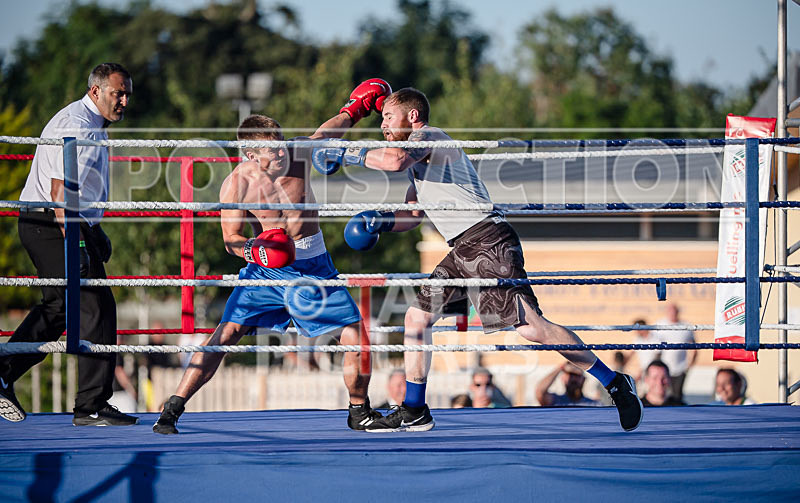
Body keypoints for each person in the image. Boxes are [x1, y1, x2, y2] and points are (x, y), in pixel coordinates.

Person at [312, 87, 643, 432]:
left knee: (532, 328)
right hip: (461, 251)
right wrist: (380, 220)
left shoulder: (429, 136)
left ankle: (614, 381)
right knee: (416, 319)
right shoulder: (418, 160)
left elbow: (393, 160)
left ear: (412, 116)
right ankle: (414, 408)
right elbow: (413, 214)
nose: (383, 126)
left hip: (487, 241)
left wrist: (347, 152)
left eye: (388, 118)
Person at [153, 78, 392, 434]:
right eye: (272, 151)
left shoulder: (298, 153)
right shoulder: (237, 184)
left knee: (355, 336)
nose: (281, 154)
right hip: (265, 272)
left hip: (314, 266)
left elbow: (332, 129)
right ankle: (173, 407)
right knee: (226, 333)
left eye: (281, 146)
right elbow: (229, 239)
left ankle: (359, 412)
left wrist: (355, 108)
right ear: (251, 156)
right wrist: (254, 249)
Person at [0, 63, 137, 426]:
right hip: (52, 223)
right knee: (95, 307)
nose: (123, 101)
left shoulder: (91, 123)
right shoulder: (79, 125)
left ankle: (3, 371)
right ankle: (91, 404)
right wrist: (76, 244)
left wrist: (93, 229)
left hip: (55, 222)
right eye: (117, 93)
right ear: (95, 91)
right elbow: (61, 190)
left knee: (63, 307)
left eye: (127, 95)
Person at [651, 304, 697, 401]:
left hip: (680, 368)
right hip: (664, 369)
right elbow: (656, 349)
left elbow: (694, 347)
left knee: (677, 396)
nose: (672, 314)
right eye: (670, 311)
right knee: (662, 394)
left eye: (674, 311)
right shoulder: (660, 325)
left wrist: (689, 366)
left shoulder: (686, 327)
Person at [536, 362, 600, 407]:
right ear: (563, 378)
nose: (574, 379)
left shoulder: (593, 404)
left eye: (577, 375)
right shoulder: (555, 400)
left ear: (583, 379)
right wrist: (561, 367)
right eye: (570, 375)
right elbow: (540, 392)